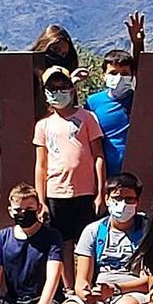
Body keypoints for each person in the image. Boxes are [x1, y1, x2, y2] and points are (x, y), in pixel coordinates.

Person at [45, 172, 148, 304]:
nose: (123, 204)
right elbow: (82, 279)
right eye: (117, 199)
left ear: (138, 202)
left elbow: (150, 281)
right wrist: (86, 293)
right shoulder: (93, 231)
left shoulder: (148, 230)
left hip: (132, 291)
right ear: (107, 199)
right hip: (100, 294)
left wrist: (117, 290)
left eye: (129, 199)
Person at [34, 65, 106, 287]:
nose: (58, 92)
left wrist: (100, 193)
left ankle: (89, 284)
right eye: (52, 88)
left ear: (71, 88)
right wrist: (41, 199)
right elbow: (41, 164)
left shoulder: (87, 118)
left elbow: (98, 156)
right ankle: (69, 288)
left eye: (63, 86)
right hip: (57, 193)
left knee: (88, 241)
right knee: (63, 243)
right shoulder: (43, 125)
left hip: (85, 192)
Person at [0, 183, 64, 304]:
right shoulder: (2, 237)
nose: (23, 213)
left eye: (29, 209)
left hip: (43, 299)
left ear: (38, 208)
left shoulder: (52, 236)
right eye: (18, 210)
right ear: (10, 211)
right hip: (13, 301)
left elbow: (53, 276)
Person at [85, 50, 137, 178]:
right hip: (105, 173)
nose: (119, 78)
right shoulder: (93, 102)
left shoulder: (139, 101)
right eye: (113, 73)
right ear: (104, 75)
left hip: (135, 170)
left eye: (124, 73)